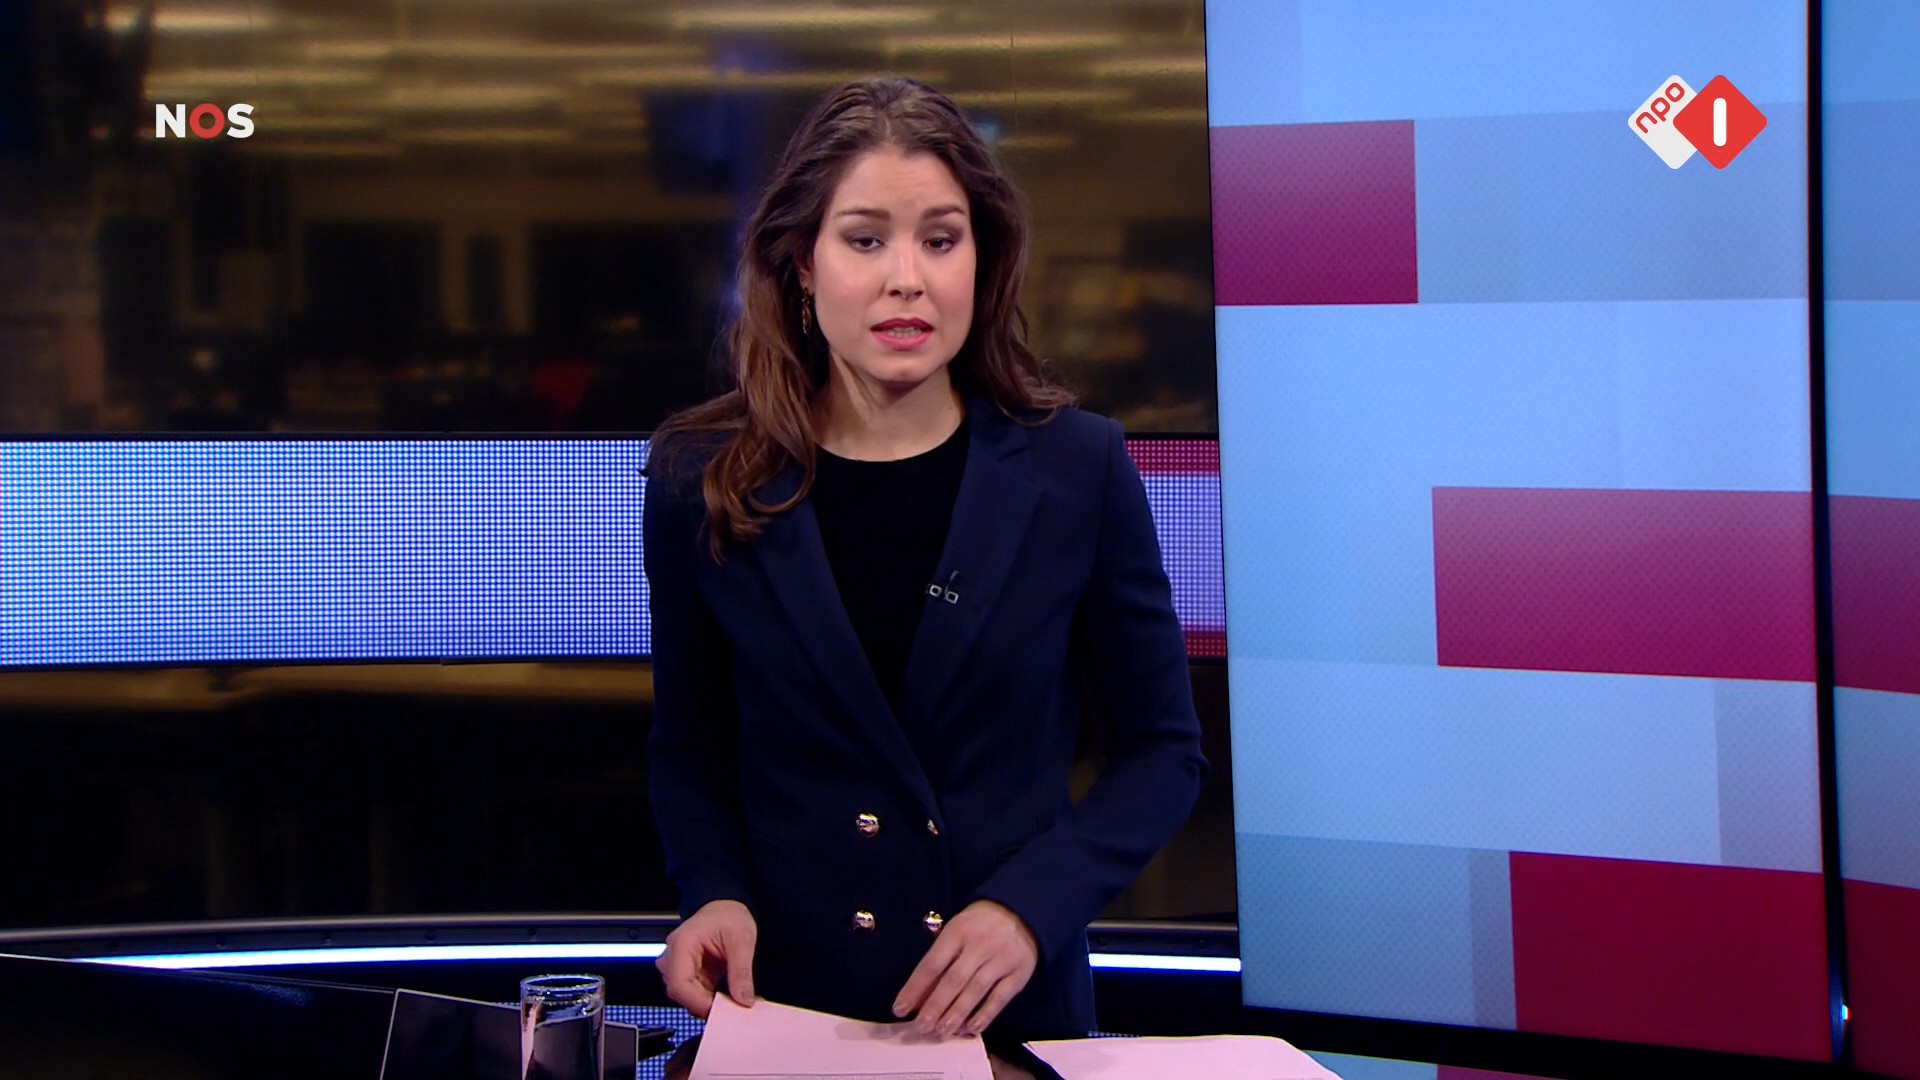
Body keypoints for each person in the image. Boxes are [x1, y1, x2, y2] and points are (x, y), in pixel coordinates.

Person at [642, 76, 1206, 1051]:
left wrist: (1030, 908)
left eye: (940, 241)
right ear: (802, 264)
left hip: (1004, 1020)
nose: (907, 278)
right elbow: (691, 746)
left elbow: (1164, 753)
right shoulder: (703, 477)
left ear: (982, 261)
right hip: (787, 1010)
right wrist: (713, 891)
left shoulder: (1079, 470)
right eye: (866, 240)